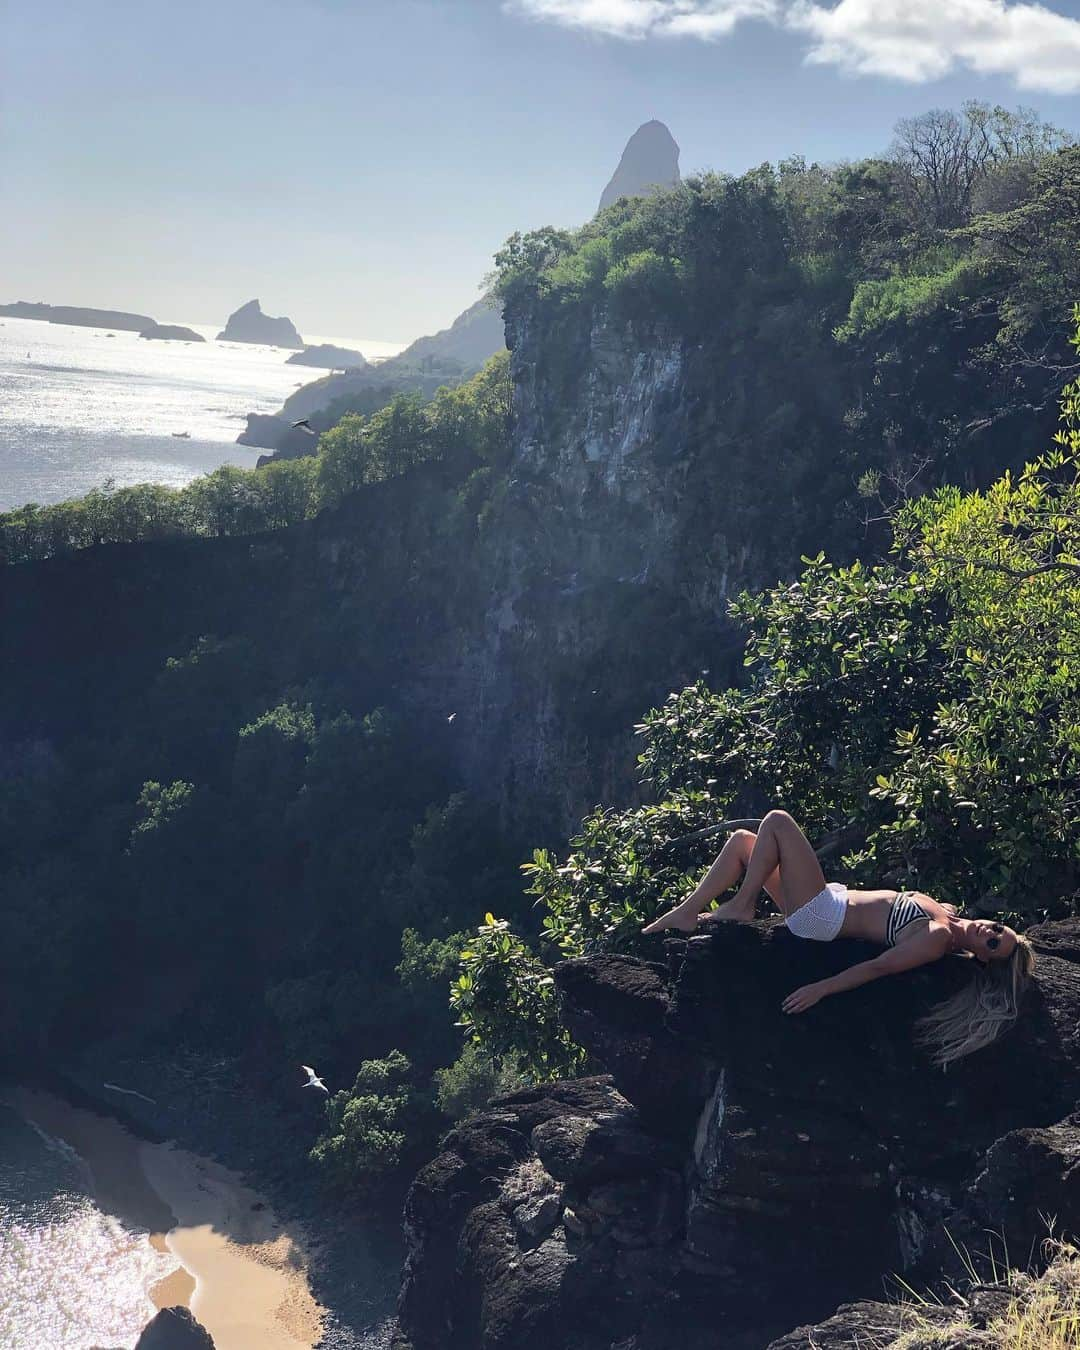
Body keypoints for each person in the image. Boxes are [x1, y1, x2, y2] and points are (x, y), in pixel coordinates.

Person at [642, 809, 1035, 1065]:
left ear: (983, 958)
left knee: (777, 822)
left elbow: (879, 967)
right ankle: (689, 911)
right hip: (826, 900)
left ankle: (742, 905)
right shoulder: (947, 914)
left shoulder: (937, 939)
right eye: (999, 929)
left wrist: (821, 989)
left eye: (994, 943)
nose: (992, 932)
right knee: (745, 841)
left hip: (822, 916)